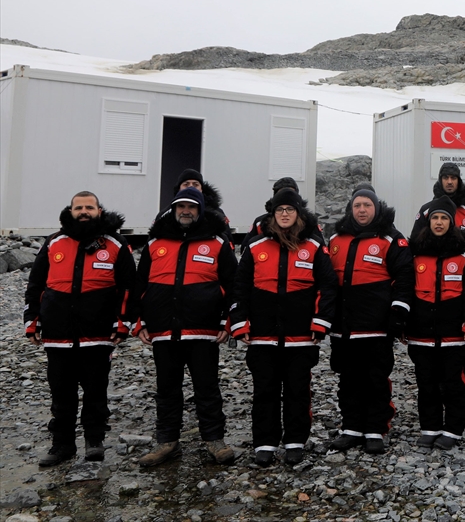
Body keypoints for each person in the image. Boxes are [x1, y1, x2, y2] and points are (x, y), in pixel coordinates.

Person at [23, 192, 135, 467]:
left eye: (89, 207)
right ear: (70, 210)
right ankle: (62, 445)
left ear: (99, 210)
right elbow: (36, 284)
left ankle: (94, 442)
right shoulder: (53, 243)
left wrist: (123, 323)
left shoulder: (115, 244)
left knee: (96, 391)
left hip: (97, 335)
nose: (83, 211)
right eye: (78, 207)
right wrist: (32, 320)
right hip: (58, 334)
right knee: (61, 393)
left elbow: (129, 289)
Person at [130, 187, 238, 467]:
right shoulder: (156, 243)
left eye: (191, 206)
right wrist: (138, 321)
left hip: (204, 332)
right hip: (164, 331)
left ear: (200, 210)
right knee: (166, 389)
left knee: (207, 388)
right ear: (173, 210)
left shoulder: (216, 243)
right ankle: (167, 442)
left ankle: (214, 440)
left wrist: (228, 321)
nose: (185, 211)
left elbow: (234, 286)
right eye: (180, 207)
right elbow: (139, 286)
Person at [230, 189, 337, 466]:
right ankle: (264, 444)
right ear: (272, 215)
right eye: (280, 210)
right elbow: (239, 288)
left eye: (290, 209)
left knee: (297, 391)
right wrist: (240, 322)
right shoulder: (255, 247)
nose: (285, 214)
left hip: (300, 337)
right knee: (264, 391)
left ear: (299, 214)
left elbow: (327, 287)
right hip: (262, 336)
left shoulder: (313, 247)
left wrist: (320, 322)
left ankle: (294, 442)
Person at [326, 188, 414, 455]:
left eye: (367, 205)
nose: (362, 210)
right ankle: (351, 427)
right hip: (343, 328)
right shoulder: (336, 239)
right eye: (357, 205)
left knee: (375, 379)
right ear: (350, 209)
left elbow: (405, 280)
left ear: (376, 207)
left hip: (376, 327)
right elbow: (325, 281)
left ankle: (375, 429)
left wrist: (398, 315)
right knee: (348, 379)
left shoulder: (392, 240)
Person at [394, 196, 465, 450]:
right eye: (435, 218)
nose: (440, 222)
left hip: (454, 333)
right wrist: (403, 325)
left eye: (444, 218)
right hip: (421, 333)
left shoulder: (464, 253)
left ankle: (453, 430)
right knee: (427, 383)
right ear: (427, 221)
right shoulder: (415, 252)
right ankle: (430, 427)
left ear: (452, 222)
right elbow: (405, 289)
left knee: (454, 383)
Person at [411, 163, 465, 237]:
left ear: (459, 181)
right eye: (445, 178)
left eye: (453, 178)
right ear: (440, 180)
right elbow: (415, 241)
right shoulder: (426, 211)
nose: (449, 182)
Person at [170, 169, 231, 238]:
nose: (191, 187)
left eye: (195, 184)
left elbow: (227, 240)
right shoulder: (166, 214)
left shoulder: (217, 214)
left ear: (201, 189)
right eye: (186, 184)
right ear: (179, 189)